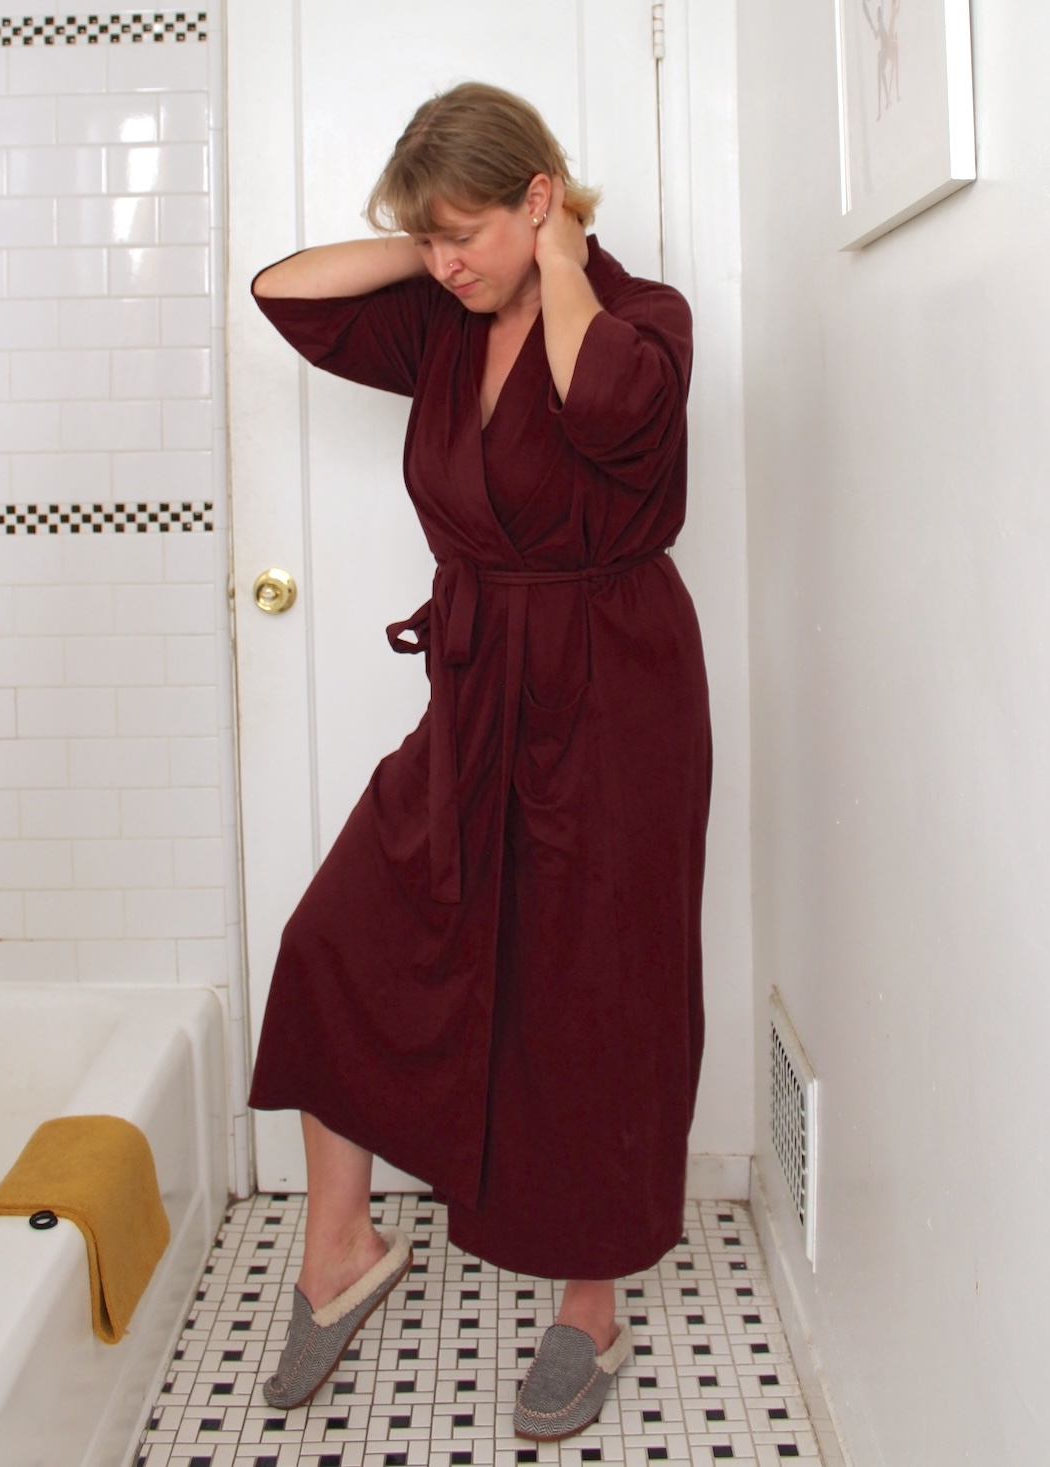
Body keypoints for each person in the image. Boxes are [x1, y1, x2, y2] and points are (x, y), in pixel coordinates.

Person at [249, 80, 712, 1441]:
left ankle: (590, 1303)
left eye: (468, 233)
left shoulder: (644, 319)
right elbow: (285, 291)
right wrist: (436, 242)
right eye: (428, 239)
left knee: (594, 989)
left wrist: (556, 258)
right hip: (478, 686)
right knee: (339, 938)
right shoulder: (441, 324)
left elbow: (605, 406)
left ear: (539, 198)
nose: (445, 265)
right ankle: (340, 1252)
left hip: (615, 690)